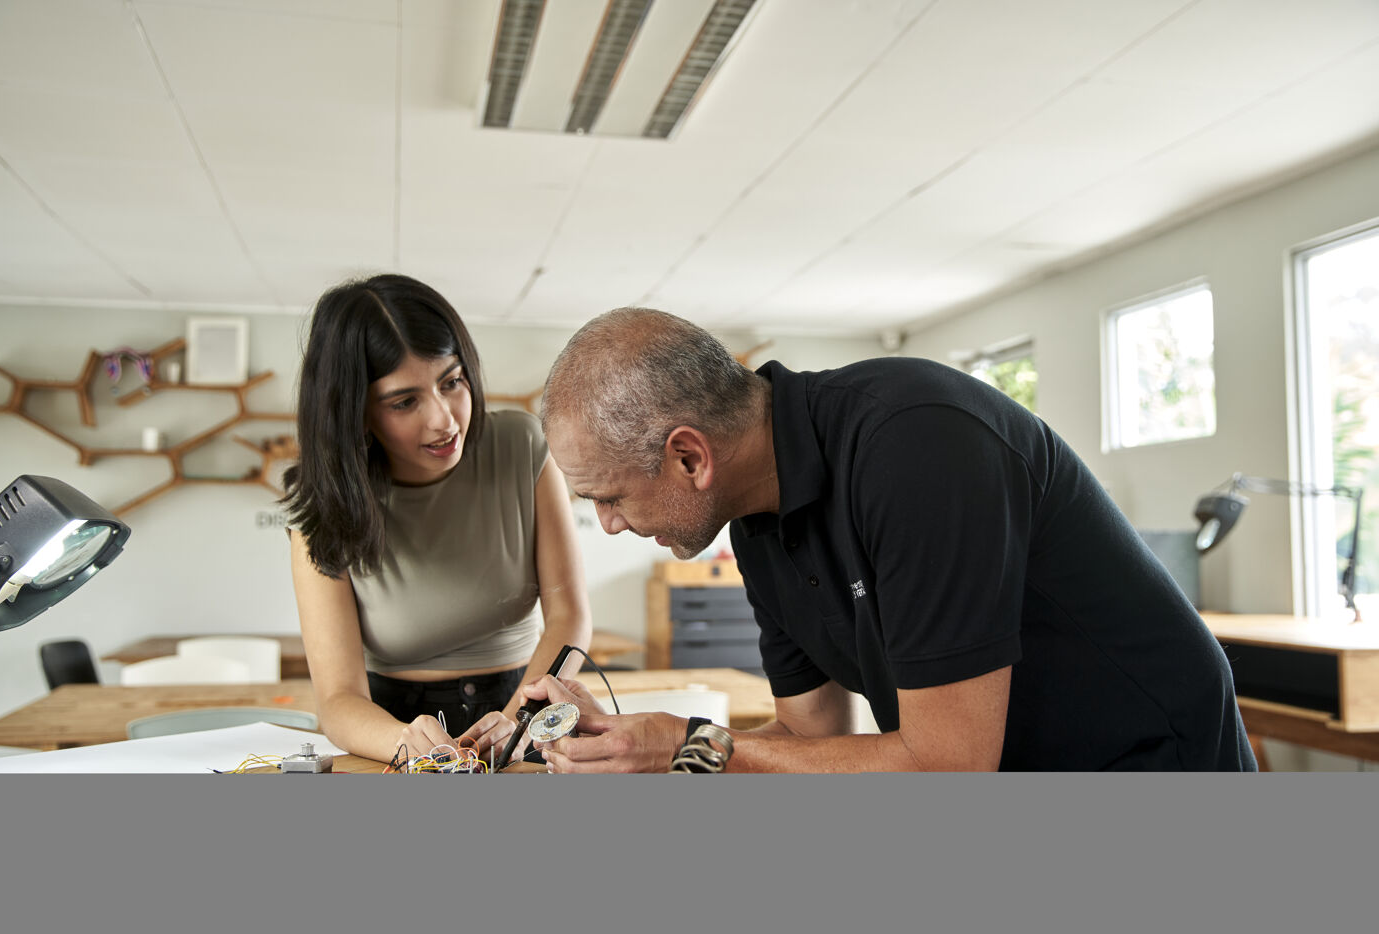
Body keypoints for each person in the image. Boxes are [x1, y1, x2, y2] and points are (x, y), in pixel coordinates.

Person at [521, 307, 1256, 772]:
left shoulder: (917, 443)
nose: (610, 524)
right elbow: (808, 739)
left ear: (690, 457)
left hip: (1148, 761)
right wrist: (635, 751)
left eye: (608, 498)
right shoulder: (755, 522)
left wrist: (689, 744)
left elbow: (947, 769)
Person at [281, 274, 590, 765]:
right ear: (356, 412)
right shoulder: (318, 508)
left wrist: (516, 725)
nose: (444, 419)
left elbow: (569, 617)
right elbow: (339, 702)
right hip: (396, 727)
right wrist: (409, 746)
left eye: (452, 382)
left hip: (526, 703)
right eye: (405, 402)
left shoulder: (522, 445)